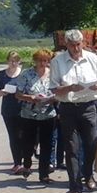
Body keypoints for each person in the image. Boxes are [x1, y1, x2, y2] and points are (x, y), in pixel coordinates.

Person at [50, 29, 97, 193]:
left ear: (83, 43)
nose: (75, 48)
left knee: (92, 144)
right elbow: (53, 88)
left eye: (78, 45)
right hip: (68, 107)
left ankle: (88, 175)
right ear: (66, 44)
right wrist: (69, 87)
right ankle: (75, 186)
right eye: (72, 45)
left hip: (89, 106)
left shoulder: (92, 58)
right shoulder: (58, 61)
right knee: (71, 147)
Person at [14, 49, 57, 183]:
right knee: (28, 143)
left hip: (48, 114)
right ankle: (27, 163)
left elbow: (59, 92)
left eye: (45, 60)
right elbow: (17, 94)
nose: (42, 63)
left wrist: (52, 98)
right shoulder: (26, 74)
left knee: (47, 144)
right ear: (35, 61)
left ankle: (43, 173)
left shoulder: (53, 75)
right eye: (40, 60)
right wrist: (31, 97)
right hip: (29, 114)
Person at [0, 50, 24, 174]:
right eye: (11, 61)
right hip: (8, 109)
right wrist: (2, 92)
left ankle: (25, 160)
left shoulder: (23, 74)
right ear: (7, 61)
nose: (13, 63)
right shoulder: (1, 74)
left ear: (19, 61)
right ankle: (17, 162)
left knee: (24, 136)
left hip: (23, 108)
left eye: (16, 61)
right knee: (13, 136)